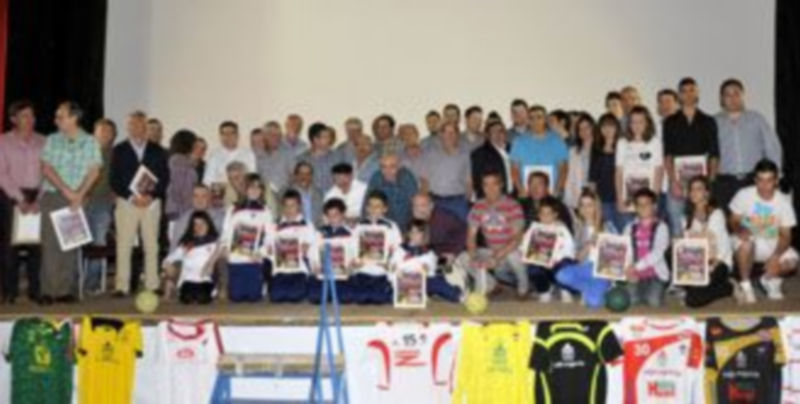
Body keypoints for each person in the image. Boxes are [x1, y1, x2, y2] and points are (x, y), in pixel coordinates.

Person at [39, 101, 102, 304]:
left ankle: (66, 290)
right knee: (50, 245)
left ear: (74, 118)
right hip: (53, 195)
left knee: (70, 245)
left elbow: (94, 170)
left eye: (61, 116)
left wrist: (80, 194)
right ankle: (49, 290)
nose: (56, 120)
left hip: (78, 197)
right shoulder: (52, 139)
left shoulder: (90, 141)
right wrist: (66, 190)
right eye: (57, 116)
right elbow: (46, 168)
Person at [110, 110, 170, 297]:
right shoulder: (118, 150)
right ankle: (122, 286)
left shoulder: (158, 150)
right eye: (133, 125)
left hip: (151, 203)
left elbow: (165, 178)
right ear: (128, 127)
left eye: (141, 125)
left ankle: (153, 284)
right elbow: (114, 179)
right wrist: (131, 197)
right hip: (127, 202)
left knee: (152, 245)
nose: (137, 128)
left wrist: (151, 196)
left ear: (146, 127)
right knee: (124, 244)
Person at [730, 159, 798, 302]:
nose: (764, 185)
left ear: (776, 181)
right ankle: (745, 285)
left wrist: (775, 257)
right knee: (746, 243)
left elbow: (786, 235)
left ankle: (768, 279)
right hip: (748, 241)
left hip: (771, 242)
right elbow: (733, 220)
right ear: (755, 180)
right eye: (760, 180)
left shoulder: (784, 201)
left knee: (793, 261)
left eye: (769, 180)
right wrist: (739, 229)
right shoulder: (744, 194)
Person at [0, 100, 45, 304]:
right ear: (13, 119)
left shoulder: (44, 141)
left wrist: (39, 198)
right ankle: (10, 291)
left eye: (32, 115)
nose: (30, 119)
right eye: (25, 115)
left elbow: (49, 173)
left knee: (37, 247)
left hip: (38, 195)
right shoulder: (3, 141)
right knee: (11, 247)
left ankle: (35, 290)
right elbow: (2, 174)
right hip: (11, 196)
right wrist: (19, 199)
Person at [663, 77, 720, 236]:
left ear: (697, 94)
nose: (688, 94)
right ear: (679, 96)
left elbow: (714, 154)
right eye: (684, 91)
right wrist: (673, 181)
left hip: (702, 182)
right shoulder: (670, 122)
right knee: (676, 223)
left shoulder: (708, 121)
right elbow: (668, 155)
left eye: (692, 90)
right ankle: (678, 259)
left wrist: (710, 182)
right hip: (678, 181)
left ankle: (703, 258)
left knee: (702, 224)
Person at [455, 172, 527, 298]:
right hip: (490, 251)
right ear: (482, 187)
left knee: (514, 254)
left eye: (494, 184)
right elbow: (471, 236)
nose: (490, 189)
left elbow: (517, 238)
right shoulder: (478, 206)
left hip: (508, 252)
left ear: (501, 185)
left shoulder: (512, 205)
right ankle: (491, 285)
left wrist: (496, 257)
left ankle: (524, 287)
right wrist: (473, 256)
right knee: (462, 258)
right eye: (486, 185)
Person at [714, 78, 783, 208]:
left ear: (742, 96)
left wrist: (776, 175)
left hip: (753, 180)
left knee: (756, 223)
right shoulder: (713, 122)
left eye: (736, 93)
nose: (732, 98)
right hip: (724, 183)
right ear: (722, 99)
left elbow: (772, 148)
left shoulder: (757, 119)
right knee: (729, 224)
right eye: (728, 95)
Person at [555, 189, 616, 308]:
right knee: (561, 275)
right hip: (585, 268)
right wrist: (588, 245)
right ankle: (588, 289)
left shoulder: (607, 226)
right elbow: (578, 258)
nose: (586, 209)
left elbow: (618, 255)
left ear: (596, 207)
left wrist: (602, 240)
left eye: (589, 205)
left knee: (594, 303)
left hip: (601, 272)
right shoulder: (579, 229)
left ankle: (600, 289)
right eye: (582, 205)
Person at [682, 176, 736, 308]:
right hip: (697, 264)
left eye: (699, 189)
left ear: (707, 193)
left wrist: (710, 268)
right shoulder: (686, 217)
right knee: (670, 253)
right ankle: (706, 286)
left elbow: (723, 247)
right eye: (692, 189)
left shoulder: (716, 214)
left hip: (718, 263)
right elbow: (687, 248)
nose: (694, 192)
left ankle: (729, 287)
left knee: (692, 300)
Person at [221, 174, 275, 302]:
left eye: (258, 187)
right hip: (236, 258)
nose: (254, 190)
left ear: (262, 191)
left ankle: (261, 285)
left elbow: (270, 237)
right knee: (236, 297)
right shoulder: (233, 208)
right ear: (245, 189)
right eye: (251, 187)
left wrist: (261, 253)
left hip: (254, 259)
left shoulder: (265, 211)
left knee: (253, 297)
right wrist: (225, 247)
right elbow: (226, 231)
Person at [83, 118, 117, 295]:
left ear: (113, 136)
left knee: (98, 243)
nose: (105, 134)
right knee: (77, 243)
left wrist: (115, 193)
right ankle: (75, 281)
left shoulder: (116, 154)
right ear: (94, 133)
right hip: (81, 202)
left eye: (108, 131)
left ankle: (91, 283)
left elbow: (119, 179)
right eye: (101, 130)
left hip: (103, 204)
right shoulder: (82, 151)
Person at [390, 219, 462, 302]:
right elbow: (393, 266)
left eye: (418, 232)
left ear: (424, 235)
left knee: (438, 282)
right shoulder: (400, 249)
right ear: (408, 233)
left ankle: (457, 295)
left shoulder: (428, 251)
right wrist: (396, 270)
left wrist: (427, 268)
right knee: (389, 291)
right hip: (403, 281)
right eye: (412, 232)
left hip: (424, 282)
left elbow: (431, 270)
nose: (414, 235)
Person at [351, 190, 402, 304]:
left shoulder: (392, 227)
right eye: (370, 205)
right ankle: (367, 294)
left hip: (381, 272)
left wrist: (389, 263)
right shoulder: (359, 226)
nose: (373, 209)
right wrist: (355, 262)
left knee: (380, 298)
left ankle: (380, 293)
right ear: (367, 208)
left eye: (378, 206)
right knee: (359, 298)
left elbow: (398, 251)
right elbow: (352, 248)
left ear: (385, 209)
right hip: (363, 271)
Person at [615, 106, 663, 226]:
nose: (637, 125)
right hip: (628, 198)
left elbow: (659, 171)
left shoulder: (654, 142)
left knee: (647, 236)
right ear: (629, 124)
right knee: (627, 234)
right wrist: (619, 198)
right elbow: (618, 172)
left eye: (641, 121)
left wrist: (655, 199)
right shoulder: (622, 142)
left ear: (647, 123)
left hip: (648, 199)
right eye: (633, 122)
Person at [522, 196, 576, 303]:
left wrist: (556, 258)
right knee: (533, 267)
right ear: (538, 215)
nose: (545, 216)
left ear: (555, 215)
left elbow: (570, 249)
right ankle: (544, 290)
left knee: (566, 264)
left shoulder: (561, 229)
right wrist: (528, 254)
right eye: (542, 213)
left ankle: (564, 289)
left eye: (549, 213)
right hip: (542, 264)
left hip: (557, 264)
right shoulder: (534, 229)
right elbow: (524, 246)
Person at [623, 189, 670, 308]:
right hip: (635, 274)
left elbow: (658, 252)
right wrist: (628, 270)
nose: (643, 207)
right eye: (639, 204)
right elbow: (625, 250)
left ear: (654, 206)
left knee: (653, 302)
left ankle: (656, 289)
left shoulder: (662, 227)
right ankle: (642, 290)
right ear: (635, 207)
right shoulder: (629, 228)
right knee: (631, 301)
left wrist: (636, 266)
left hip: (656, 274)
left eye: (646, 204)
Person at [162, 211, 220, 304]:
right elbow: (170, 258)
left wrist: (210, 264)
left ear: (208, 225)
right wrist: (168, 265)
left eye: (202, 224)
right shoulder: (187, 244)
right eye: (196, 224)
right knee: (188, 298)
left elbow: (224, 251)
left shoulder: (214, 243)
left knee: (202, 298)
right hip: (188, 280)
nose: (199, 227)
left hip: (205, 280)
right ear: (191, 227)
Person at [510, 105, 569, 197]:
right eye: (531, 118)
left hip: (551, 193)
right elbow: (514, 169)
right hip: (527, 194)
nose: (535, 121)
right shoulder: (519, 142)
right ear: (528, 121)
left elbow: (563, 169)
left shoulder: (557, 141)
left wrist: (557, 190)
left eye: (539, 117)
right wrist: (520, 189)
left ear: (545, 120)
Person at [269, 189, 316, 303]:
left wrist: (307, 248)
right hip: (281, 269)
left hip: (299, 269)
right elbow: (269, 245)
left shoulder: (307, 225)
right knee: (277, 296)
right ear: (282, 207)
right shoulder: (275, 226)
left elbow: (313, 247)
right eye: (286, 206)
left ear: (299, 206)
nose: (289, 209)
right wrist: (270, 250)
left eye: (293, 205)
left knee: (296, 296)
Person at [307, 198, 357, 304]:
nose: (333, 218)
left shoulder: (350, 234)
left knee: (346, 297)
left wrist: (351, 265)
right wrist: (315, 265)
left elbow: (355, 254)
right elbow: (312, 253)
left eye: (336, 215)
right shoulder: (320, 233)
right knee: (314, 296)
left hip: (342, 275)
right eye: (329, 215)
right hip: (323, 275)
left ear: (343, 215)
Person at [420, 122, 472, 221]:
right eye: (447, 133)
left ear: (458, 135)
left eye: (453, 132)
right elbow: (424, 180)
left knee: (460, 232)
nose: (450, 136)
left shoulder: (465, 155)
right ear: (441, 135)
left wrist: (467, 200)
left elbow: (469, 181)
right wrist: (425, 201)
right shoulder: (430, 154)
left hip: (458, 202)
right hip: (436, 201)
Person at [365, 153, 418, 230]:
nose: (388, 171)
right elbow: (367, 203)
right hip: (381, 225)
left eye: (392, 166)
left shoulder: (407, 178)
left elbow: (414, 205)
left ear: (399, 166)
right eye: (383, 167)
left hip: (404, 226)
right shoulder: (376, 178)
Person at [411, 193, 466, 262]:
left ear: (431, 206)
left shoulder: (443, 219)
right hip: (434, 253)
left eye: (423, 205)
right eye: (415, 206)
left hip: (453, 252)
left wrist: (454, 253)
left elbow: (464, 233)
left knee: (439, 270)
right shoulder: (416, 219)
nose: (418, 209)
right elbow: (418, 242)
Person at [590, 113, 622, 230]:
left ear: (617, 128)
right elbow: (593, 176)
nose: (608, 130)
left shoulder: (623, 145)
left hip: (622, 198)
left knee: (623, 231)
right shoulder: (596, 147)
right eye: (604, 126)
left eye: (611, 126)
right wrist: (594, 199)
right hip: (603, 198)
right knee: (609, 232)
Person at [170, 184, 225, 250]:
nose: (199, 200)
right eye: (195, 196)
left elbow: (224, 241)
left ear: (209, 198)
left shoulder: (220, 217)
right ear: (191, 199)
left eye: (203, 196)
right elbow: (174, 246)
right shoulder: (183, 220)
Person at [203, 121, 256, 187]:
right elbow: (207, 181)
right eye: (224, 134)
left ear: (237, 136)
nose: (228, 136)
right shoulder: (214, 156)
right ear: (220, 137)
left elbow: (252, 177)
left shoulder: (248, 154)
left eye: (231, 133)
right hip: (221, 193)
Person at [471, 119, 512, 198]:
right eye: (494, 132)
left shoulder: (513, 149)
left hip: (513, 195)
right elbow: (476, 179)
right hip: (492, 197)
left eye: (500, 131)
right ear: (488, 135)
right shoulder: (479, 154)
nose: (498, 134)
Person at [297, 122, 341, 193]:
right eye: (325, 137)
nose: (329, 139)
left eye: (328, 137)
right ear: (315, 139)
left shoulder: (338, 158)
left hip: (332, 199)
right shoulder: (302, 159)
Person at [165, 129, 198, 220]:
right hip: (180, 208)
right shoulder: (178, 161)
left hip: (186, 206)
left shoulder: (187, 161)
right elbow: (177, 188)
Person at [563, 113, 595, 208]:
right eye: (580, 129)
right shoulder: (573, 152)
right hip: (577, 195)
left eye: (587, 128)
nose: (584, 131)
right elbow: (569, 178)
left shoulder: (600, 150)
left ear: (593, 128)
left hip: (597, 196)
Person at [256, 121, 294, 192]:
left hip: (283, 195)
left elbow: (294, 177)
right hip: (263, 195)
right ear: (264, 136)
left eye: (278, 135)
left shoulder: (288, 153)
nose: (276, 138)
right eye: (272, 135)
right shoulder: (257, 155)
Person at [284, 161, 323, 227]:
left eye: (308, 174)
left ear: (311, 176)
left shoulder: (318, 194)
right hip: (294, 230)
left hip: (317, 231)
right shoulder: (286, 193)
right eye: (301, 173)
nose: (304, 177)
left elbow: (321, 218)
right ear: (295, 175)